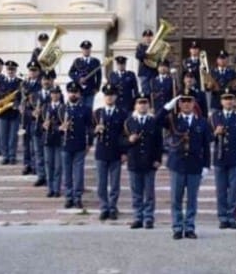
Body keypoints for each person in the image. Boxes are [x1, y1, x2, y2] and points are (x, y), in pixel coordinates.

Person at [156, 91, 212, 240]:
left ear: (194, 104)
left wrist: (206, 165)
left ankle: (189, 227)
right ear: (179, 104)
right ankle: (177, 227)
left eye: (189, 101)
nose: (186, 104)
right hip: (177, 165)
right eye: (183, 101)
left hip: (195, 165)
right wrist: (169, 105)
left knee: (192, 199)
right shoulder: (173, 119)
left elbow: (206, 146)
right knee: (176, 198)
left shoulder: (202, 122)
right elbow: (157, 119)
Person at [210, 87, 236, 229]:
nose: (228, 101)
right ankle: (222, 217)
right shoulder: (215, 116)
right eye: (225, 99)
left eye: (230, 99)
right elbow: (208, 137)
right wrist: (215, 133)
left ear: (234, 101)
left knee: (233, 190)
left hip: (235, 158)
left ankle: (232, 217)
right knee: (221, 190)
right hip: (220, 158)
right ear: (221, 101)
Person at [123, 93, 163, 229]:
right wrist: (129, 140)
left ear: (149, 105)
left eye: (145, 102)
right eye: (140, 103)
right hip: (134, 161)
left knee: (149, 193)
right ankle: (137, 217)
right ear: (135, 105)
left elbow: (159, 142)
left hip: (149, 161)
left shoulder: (153, 122)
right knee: (136, 192)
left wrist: (158, 159)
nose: (142, 105)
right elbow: (121, 140)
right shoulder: (129, 122)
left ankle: (149, 217)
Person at [93, 84, 128, 221]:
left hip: (116, 151)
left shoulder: (122, 113)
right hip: (101, 151)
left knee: (114, 183)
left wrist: (124, 152)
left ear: (116, 97)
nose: (109, 97)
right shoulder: (97, 113)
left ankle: (113, 207)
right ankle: (104, 207)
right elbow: (89, 131)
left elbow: (124, 134)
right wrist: (95, 130)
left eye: (112, 95)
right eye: (107, 95)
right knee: (101, 183)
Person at [59, 81, 92, 210]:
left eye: (76, 92)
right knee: (67, 172)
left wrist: (89, 143)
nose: (73, 94)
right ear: (68, 93)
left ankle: (77, 197)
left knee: (78, 173)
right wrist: (60, 128)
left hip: (79, 144)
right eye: (71, 92)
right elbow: (54, 124)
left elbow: (90, 127)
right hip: (65, 144)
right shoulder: (62, 108)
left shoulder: (85, 109)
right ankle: (68, 197)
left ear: (79, 94)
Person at [0, 60, 22, 165]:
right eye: (9, 69)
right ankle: (5, 156)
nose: (11, 71)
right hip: (2, 113)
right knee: (3, 136)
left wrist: (18, 103)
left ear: (15, 70)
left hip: (14, 113)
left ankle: (12, 156)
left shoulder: (20, 83)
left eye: (13, 69)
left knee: (13, 136)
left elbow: (22, 97)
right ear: (6, 70)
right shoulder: (1, 82)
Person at [32, 70, 55, 186]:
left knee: (49, 156)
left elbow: (60, 111)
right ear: (40, 81)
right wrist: (33, 113)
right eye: (44, 79)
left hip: (50, 129)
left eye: (48, 79)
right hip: (37, 128)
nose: (46, 82)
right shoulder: (34, 95)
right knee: (38, 153)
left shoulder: (56, 94)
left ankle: (50, 177)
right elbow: (26, 110)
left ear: (51, 81)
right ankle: (41, 176)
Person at [41, 85, 64, 198]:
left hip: (59, 139)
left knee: (58, 166)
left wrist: (56, 127)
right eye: (53, 93)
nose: (54, 95)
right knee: (49, 164)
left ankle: (57, 188)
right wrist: (43, 125)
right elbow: (40, 122)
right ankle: (50, 188)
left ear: (60, 94)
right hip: (48, 139)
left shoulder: (64, 107)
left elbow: (65, 123)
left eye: (57, 93)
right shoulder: (45, 107)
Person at [21, 61, 42, 175]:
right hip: (25, 117)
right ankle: (26, 163)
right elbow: (20, 98)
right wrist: (18, 105)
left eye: (34, 70)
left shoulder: (40, 84)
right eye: (30, 70)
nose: (32, 73)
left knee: (35, 142)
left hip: (35, 116)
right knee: (26, 142)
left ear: (38, 72)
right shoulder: (24, 84)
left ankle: (35, 165)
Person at [69, 40, 102, 109]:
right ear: (82, 50)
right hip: (79, 90)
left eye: (88, 48)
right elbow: (70, 73)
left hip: (90, 89)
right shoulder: (77, 61)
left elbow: (99, 76)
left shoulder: (96, 61)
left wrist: (97, 88)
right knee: (78, 109)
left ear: (90, 50)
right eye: (84, 49)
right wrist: (78, 79)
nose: (86, 50)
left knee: (89, 109)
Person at [135, 29, 158, 95]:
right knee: (145, 91)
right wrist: (147, 54)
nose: (148, 38)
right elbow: (138, 56)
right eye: (146, 36)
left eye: (150, 36)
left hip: (154, 71)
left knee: (154, 91)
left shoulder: (155, 47)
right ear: (143, 38)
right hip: (144, 72)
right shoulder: (140, 46)